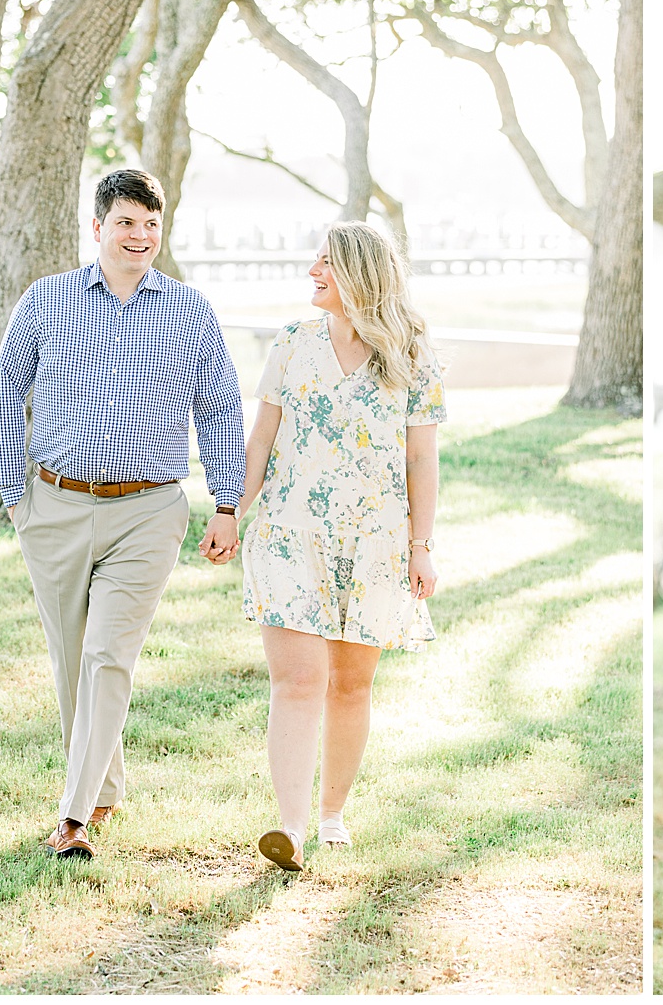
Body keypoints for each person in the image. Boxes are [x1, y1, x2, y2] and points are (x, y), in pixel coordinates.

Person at [0, 168, 244, 860]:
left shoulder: (190, 312)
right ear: (97, 227)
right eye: (127, 222)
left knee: (107, 654)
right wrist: (14, 494)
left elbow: (220, 407)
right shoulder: (46, 301)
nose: (140, 236)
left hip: (148, 512)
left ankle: (75, 819)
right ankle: (104, 789)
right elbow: (7, 389)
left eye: (152, 224)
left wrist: (227, 502)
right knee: (73, 660)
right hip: (53, 506)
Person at [221, 220, 446, 872]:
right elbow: (261, 439)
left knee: (349, 686)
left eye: (325, 262)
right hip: (290, 537)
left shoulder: (411, 350)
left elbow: (422, 459)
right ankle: (288, 830)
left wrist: (421, 546)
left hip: (375, 543)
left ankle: (330, 815)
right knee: (298, 680)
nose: (311, 270)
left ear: (358, 273)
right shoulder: (292, 344)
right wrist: (232, 510)